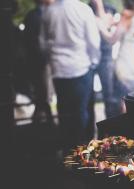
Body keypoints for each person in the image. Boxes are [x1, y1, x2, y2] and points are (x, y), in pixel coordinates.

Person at [40, 0, 101, 150]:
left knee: (64, 111)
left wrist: (52, 58)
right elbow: (93, 41)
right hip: (80, 67)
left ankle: (68, 150)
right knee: (81, 112)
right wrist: (93, 61)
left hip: (59, 68)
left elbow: (42, 42)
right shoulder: (83, 9)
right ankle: (82, 152)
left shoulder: (49, 11)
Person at [94, 0, 134, 113]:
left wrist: (99, 26)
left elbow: (111, 39)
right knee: (128, 106)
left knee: (116, 109)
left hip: (123, 68)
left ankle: (116, 130)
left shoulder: (127, 15)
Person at [23, 0, 53, 123]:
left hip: (35, 59)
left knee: (41, 91)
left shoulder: (32, 15)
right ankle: (47, 120)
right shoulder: (42, 14)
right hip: (41, 60)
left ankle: (42, 118)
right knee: (43, 92)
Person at [89, 1, 119, 119]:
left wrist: (100, 7)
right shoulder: (87, 8)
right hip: (90, 57)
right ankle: (89, 132)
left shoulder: (110, 8)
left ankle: (110, 130)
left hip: (106, 57)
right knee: (88, 99)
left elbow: (108, 25)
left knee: (109, 97)